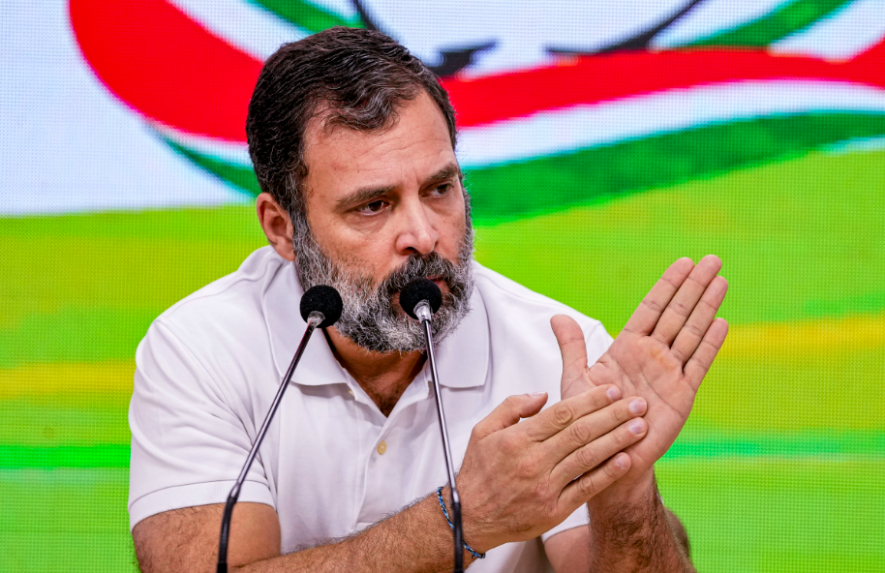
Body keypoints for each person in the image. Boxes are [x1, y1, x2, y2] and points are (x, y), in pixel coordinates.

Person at [128, 27, 728, 573]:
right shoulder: (199, 348)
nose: (424, 235)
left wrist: (624, 496)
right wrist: (467, 515)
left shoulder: (562, 355)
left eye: (440, 189)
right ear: (283, 228)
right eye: (373, 205)